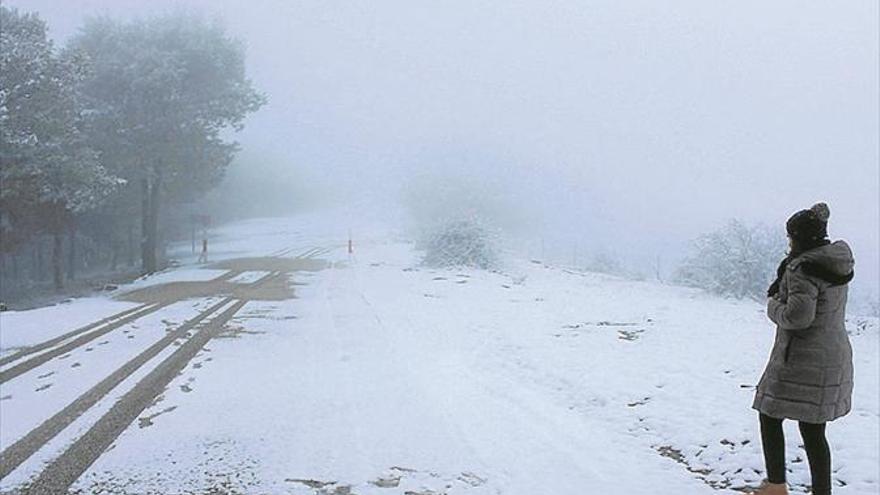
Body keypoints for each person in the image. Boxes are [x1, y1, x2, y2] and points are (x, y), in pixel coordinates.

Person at [751, 202, 855, 495]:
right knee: (813, 429)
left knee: (769, 413)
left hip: (802, 358)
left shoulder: (803, 269)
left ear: (800, 238)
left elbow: (798, 317)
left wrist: (773, 306)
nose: (788, 241)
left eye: (790, 236)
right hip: (832, 354)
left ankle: (775, 486)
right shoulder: (834, 261)